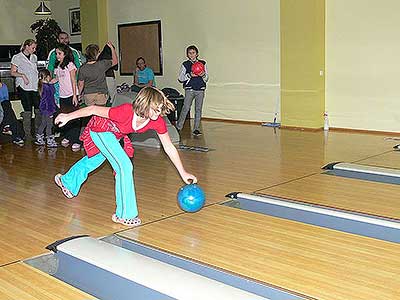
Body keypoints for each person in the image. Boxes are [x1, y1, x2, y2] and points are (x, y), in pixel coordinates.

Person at [54, 87, 197, 227]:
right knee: (124, 166)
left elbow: (169, 147)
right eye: (155, 108)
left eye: (160, 108)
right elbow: (92, 109)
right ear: (144, 104)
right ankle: (124, 215)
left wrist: (183, 172)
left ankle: (67, 181)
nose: (158, 112)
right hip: (101, 129)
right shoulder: (125, 111)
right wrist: (68, 116)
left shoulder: (157, 121)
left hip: (115, 135)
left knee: (95, 160)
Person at [10, 39, 40, 141]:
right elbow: (12, 72)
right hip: (23, 87)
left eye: (35, 48)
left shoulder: (34, 57)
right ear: (26, 46)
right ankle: (27, 134)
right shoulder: (17, 57)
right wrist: (22, 75)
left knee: (38, 109)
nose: (34, 50)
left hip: (34, 86)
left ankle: (37, 132)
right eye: (33, 48)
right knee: (27, 110)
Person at [176, 45, 209, 136]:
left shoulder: (203, 63)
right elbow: (180, 78)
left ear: (197, 54)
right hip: (189, 89)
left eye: (193, 53)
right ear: (187, 54)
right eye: (189, 53)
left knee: (198, 109)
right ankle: (179, 127)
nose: (192, 54)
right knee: (186, 107)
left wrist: (202, 75)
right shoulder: (185, 64)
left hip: (200, 89)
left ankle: (196, 129)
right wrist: (189, 75)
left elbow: (206, 78)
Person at [54, 44, 81, 151]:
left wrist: (75, 95)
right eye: (56, 53)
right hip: (62, 95)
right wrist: (46, 82)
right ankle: (68, 136)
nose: (57, 55)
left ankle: (76, 140)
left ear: (65, 54)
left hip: (71, 95)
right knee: (64, 116)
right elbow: (56, 79)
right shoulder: (58, 66)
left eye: (59, 53)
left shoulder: (70, 65)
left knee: (74, 117)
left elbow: (73, 80)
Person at [78, 42, 118, 106]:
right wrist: (112, 48)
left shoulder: (82, 68)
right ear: (96, 54)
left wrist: (79, 94)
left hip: (88, 95)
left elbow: (80, 84)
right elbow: (115, 61)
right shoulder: (102, 64)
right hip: (101, 94)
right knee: (100, 114)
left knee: (91, 114)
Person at [35, 69, 57, 147]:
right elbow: (49, 99)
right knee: (49, 125)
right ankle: (50, 140)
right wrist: (50, 111)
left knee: (44, 123)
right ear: (47, 77)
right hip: (48, 109)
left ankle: (39, 137)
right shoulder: (47, 87)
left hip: (44, 109)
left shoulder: (43, 86)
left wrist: (50, 84)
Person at [0, 80, 24, 145]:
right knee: (11, 116)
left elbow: (6, 98)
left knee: (7, 106)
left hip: (5, 105)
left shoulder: (4, 86)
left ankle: (7, 127)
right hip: (3, 105)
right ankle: (16, 136)